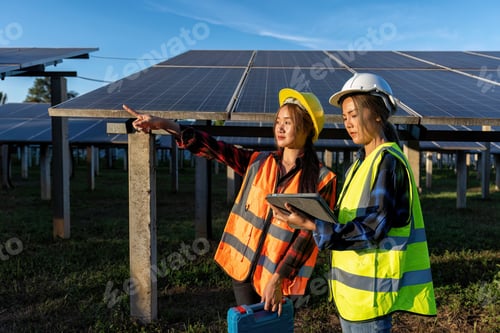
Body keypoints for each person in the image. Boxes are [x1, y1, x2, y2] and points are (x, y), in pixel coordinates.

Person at [123, 88, 336, 315]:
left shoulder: (322, 180)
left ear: (307, 128)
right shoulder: (258, 162)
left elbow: (306, 238)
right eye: (278, 121)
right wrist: (166, 124)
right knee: (248, 329)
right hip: (242, 268)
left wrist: (277, 279)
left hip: (280, 278)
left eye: (288, 122)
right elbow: (216, 149)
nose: (280, 128)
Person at [272, 73, 436, 332]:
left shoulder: (387, 162)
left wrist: (313, 225)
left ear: (377, 114)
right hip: (352, 297)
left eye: (353, 114)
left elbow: (372, 228)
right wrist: (309, 213)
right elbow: (346, 219)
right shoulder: (359, 164)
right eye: (344, 117)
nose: (348, 123)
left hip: (371, 299)